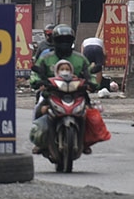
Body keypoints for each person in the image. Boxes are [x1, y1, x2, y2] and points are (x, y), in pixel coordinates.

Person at [30, 25, 92, 154]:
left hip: (77, 94)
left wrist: (92, 83)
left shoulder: (80, 59)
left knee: (91, 113)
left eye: (67, 40)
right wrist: (38, 82)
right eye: (60, 40)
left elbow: (90, 74)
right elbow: (35, 73)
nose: (64, 43)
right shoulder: (46, 58)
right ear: (54, 41)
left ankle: (86, 141)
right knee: (38, 110)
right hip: (51, 94)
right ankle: (39, 142)